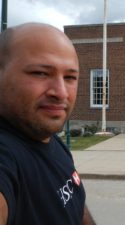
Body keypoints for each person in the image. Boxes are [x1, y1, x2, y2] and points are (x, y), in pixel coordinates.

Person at [0, 23, 96, 225]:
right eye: (40, 73)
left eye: (70, 77)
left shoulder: (51, 142)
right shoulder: (6, 156)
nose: (60, 92)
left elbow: (76, 208)